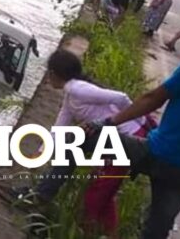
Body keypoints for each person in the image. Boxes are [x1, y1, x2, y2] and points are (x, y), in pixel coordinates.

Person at [5, 10, 180, 239]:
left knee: (75, 142)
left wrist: (107, 123)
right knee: (156, 227)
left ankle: (39, 197)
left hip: (156, 151)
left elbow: (153, 99)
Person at [45, 50, 151, 237]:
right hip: (113, 141)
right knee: (104, 191)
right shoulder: (71, 95)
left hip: (128, 138)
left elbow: (121, 97)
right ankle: (107, 233)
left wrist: (142, 122)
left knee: (98, 192)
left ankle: (88, 230)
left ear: (53, 73)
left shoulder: (76, 89)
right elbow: (59, 126)